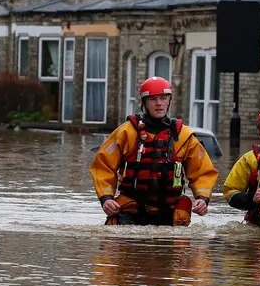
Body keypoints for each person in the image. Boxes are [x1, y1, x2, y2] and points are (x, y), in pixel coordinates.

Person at [90, 76, 219, 226]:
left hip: (168, 210)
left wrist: (202, 199)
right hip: (131, 209)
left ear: (169, 101)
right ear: (144, 103)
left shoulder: (184, 136)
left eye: (163, 98)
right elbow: (103, 166)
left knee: (182, 245)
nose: (159, 104)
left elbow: (203, 172)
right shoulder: (126, 132)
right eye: (153, 99)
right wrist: (106, 198)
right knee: (112, 244)